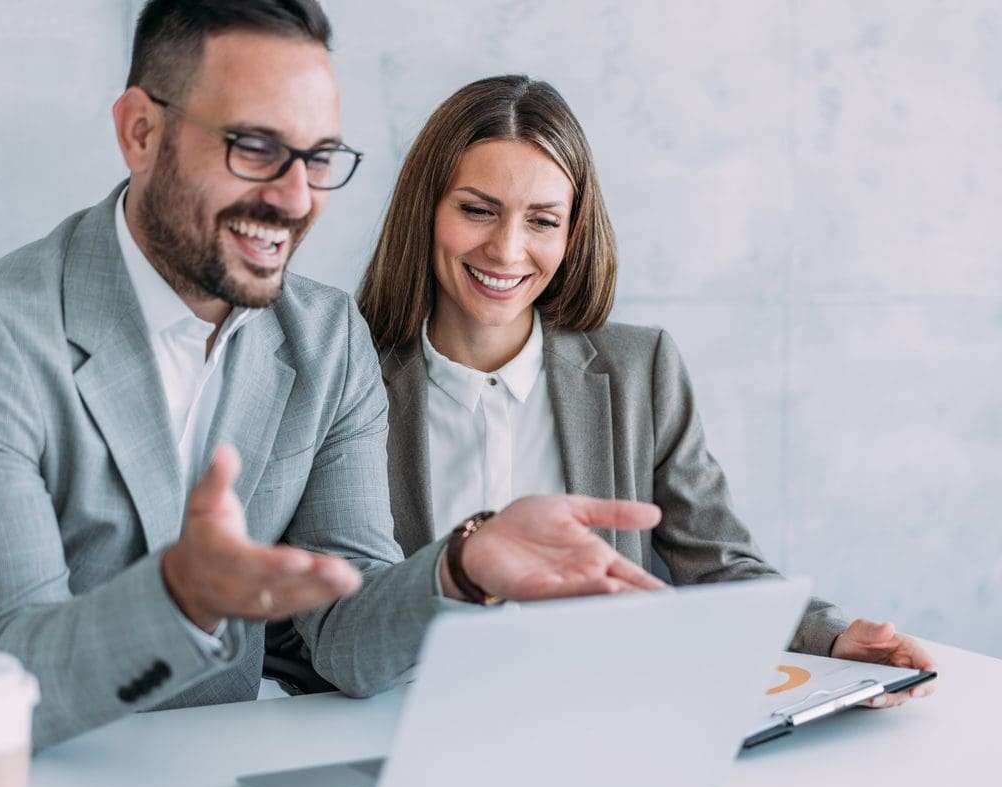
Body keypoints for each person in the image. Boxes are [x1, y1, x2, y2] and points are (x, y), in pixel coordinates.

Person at [0, 3, 666, 750]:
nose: (296, 198)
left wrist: (461, 567)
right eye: (254, 147)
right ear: (141, 132)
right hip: (30, 784)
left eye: (318, 157)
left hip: (223, 773)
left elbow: (345, 635)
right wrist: (180, 599)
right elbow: (5, 673)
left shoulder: (327, 337)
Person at [357, 75, 936, 707]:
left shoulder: (640, 369)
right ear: (426, 209)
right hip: (403, 718)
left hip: (604, 714)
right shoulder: (351, 378)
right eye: (477, 210)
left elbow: (717, 565)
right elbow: (327, 617)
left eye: (543, 221)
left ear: (572, 234)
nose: (507, 249)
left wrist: (831, 638)